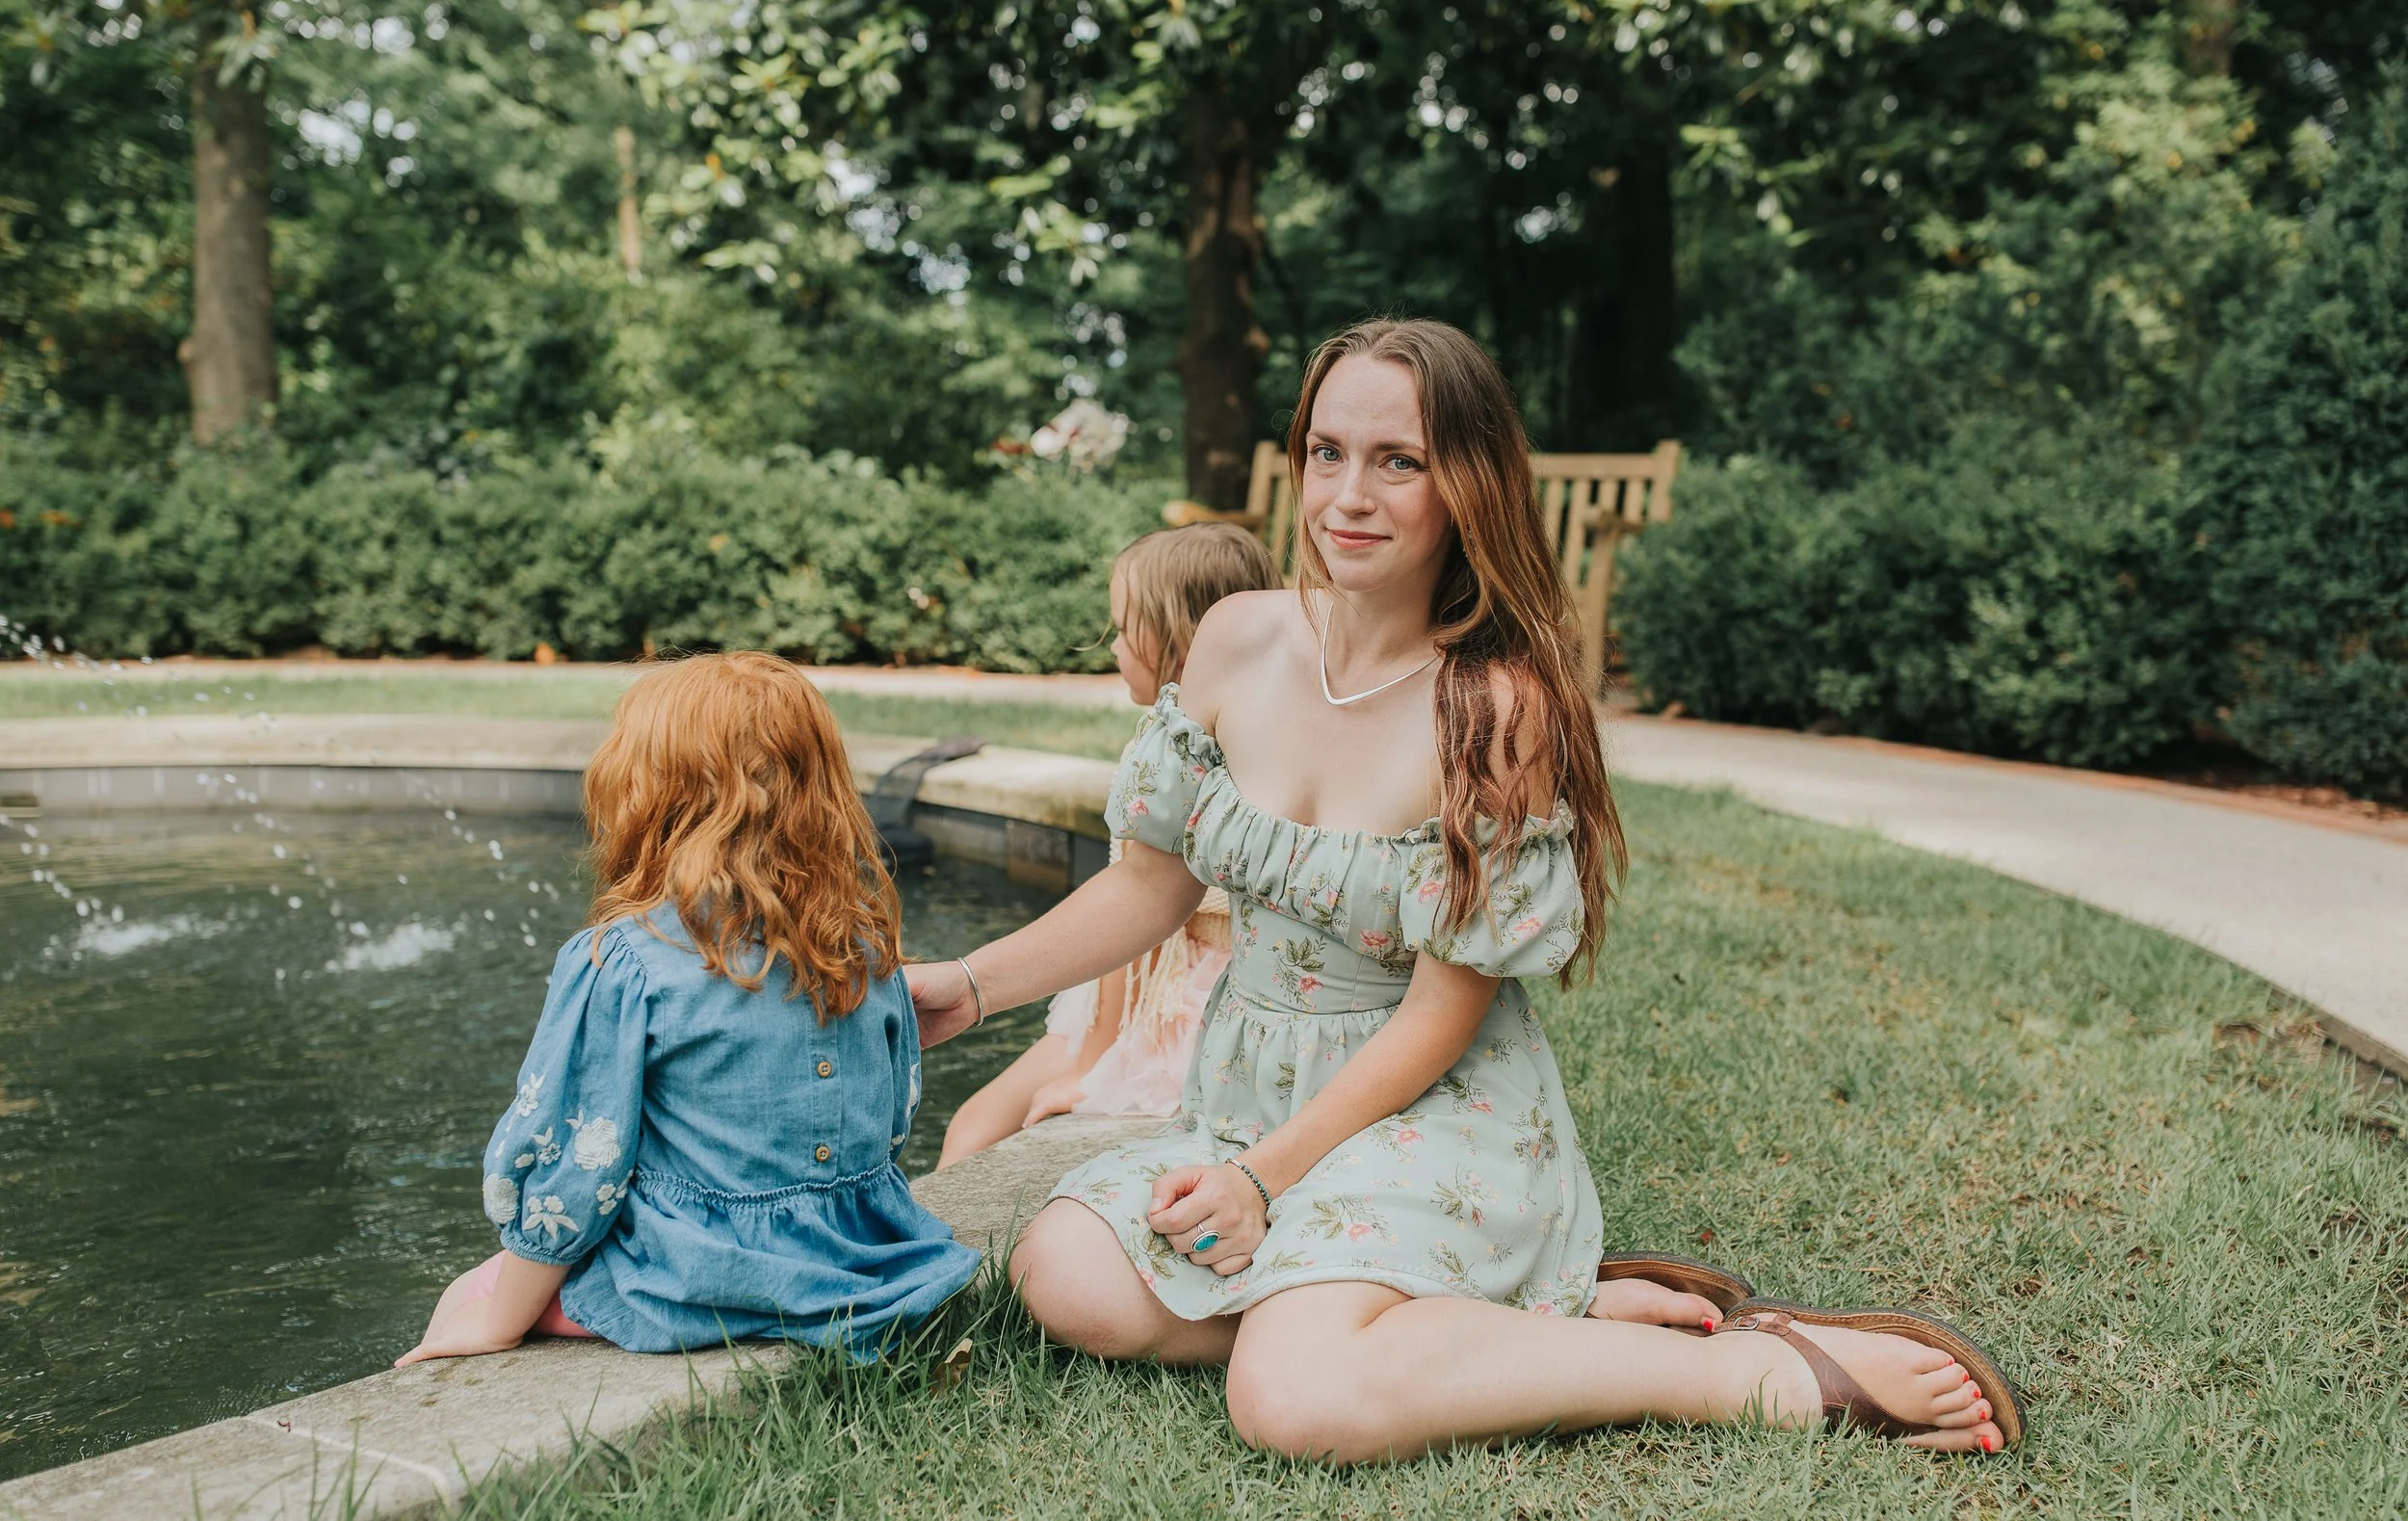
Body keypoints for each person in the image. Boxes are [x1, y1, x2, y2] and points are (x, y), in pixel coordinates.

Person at [907, 320, 2022, 1461]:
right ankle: (1498, 1314)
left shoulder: (1491, 705)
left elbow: (1445, 1011)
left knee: (1291, 1398)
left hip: (1426, 1110)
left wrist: (1256, 1179)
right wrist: (965, 982)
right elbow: (1148, 887)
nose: (1349, 493)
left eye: (1401, 460)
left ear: (1468, 483)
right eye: (1327, 450)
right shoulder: (1236, 641)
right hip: (1247, 1094)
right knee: (1064, 1270)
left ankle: (1758, 1367)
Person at [397, 653, 978, 1367]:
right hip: (861, 1253)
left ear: (650, 794)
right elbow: (890, 1119)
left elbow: (577, 1162)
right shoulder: (859, 943)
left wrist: (497, 1320)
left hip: (702, 1276)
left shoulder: (623, 959)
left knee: (470, 1292)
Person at [940, 523, 1280, 1166]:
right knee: (979, 1122)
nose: (1113, 645)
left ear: (1182, 644)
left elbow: (1137, 942)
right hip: (1187, 1001)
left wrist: (1092, 1072)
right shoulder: (1245, 748)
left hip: (1173, 1017)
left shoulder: (1173, 765)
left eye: (1124, 630)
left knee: (979, 1127)